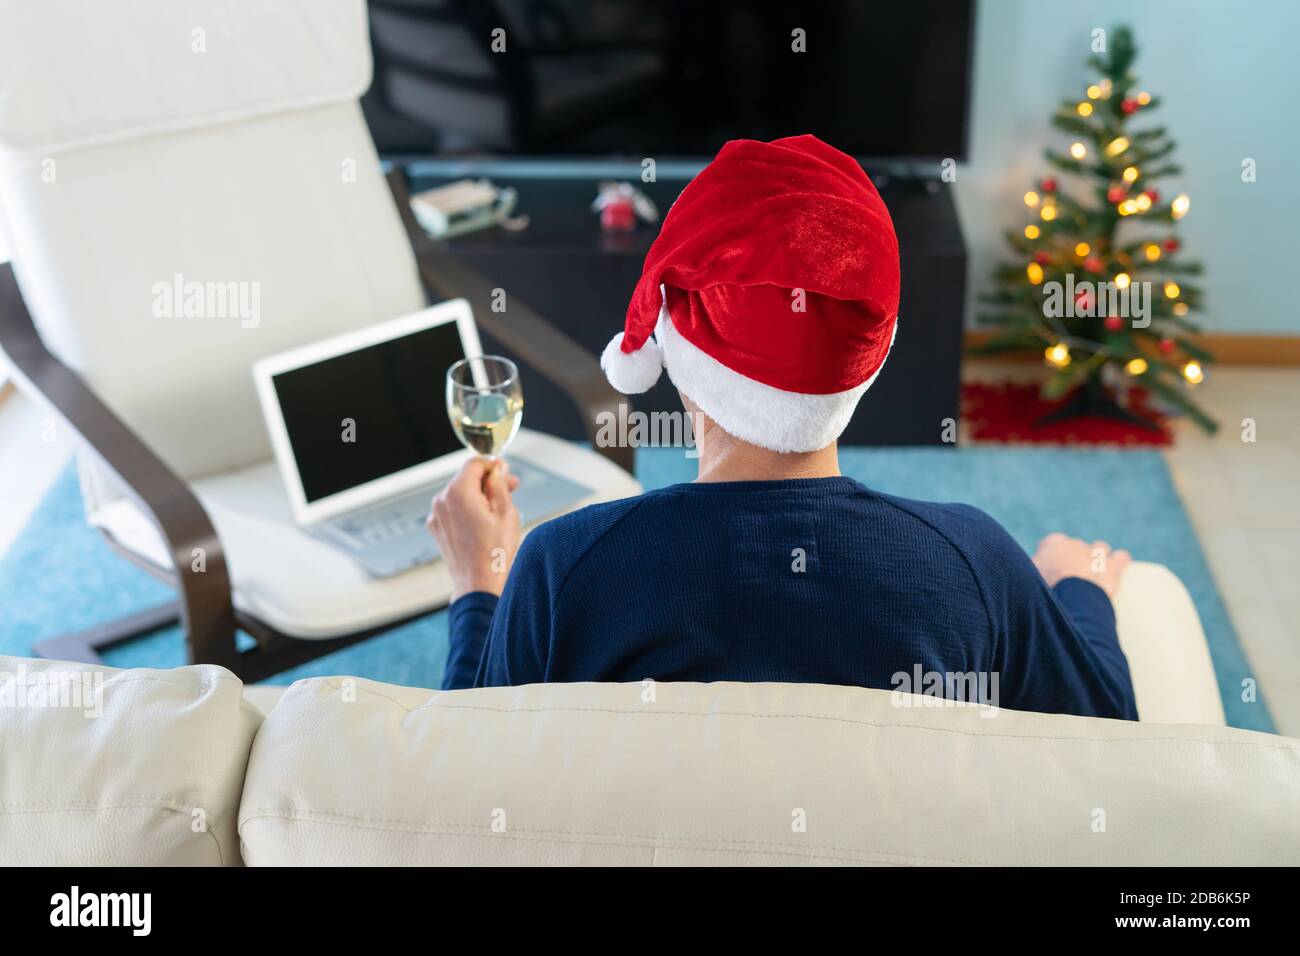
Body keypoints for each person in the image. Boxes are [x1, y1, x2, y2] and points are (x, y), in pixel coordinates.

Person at [428, 135, 1137, 720]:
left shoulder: (562, 568)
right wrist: (1082, 593)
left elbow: (458, 793)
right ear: (872, 358)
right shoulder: (973, 565)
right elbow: (1110, 749)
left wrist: (478, 587)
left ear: (673, 351)